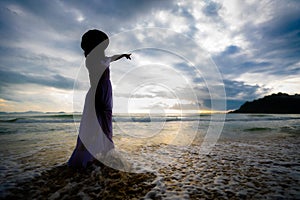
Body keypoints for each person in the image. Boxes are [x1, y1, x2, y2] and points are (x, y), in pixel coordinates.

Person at [68, 29, 131, 168]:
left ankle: (104, 154)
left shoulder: (102, 58)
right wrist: (99, 99)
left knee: (105, 123)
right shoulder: (91, 59)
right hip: (98, 93)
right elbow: (97, 78)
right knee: (96, 124)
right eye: (101, 44)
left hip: (106, 93)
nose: (103, 46)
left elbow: (112, 57)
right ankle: (90, 157)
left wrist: (123, 55)